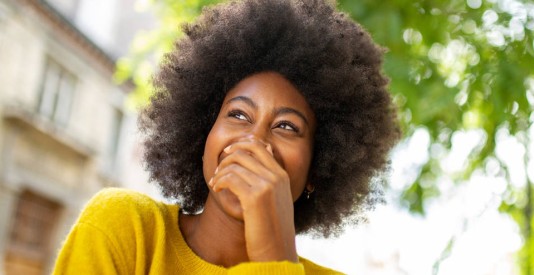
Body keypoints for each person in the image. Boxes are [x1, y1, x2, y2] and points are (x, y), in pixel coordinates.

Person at [53, 0, 400, 274]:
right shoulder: (124, 227)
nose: (254, 140)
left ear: (316, 171)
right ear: (204, 135)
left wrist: (275, 260)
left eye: (287, 126)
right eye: (238, 115)